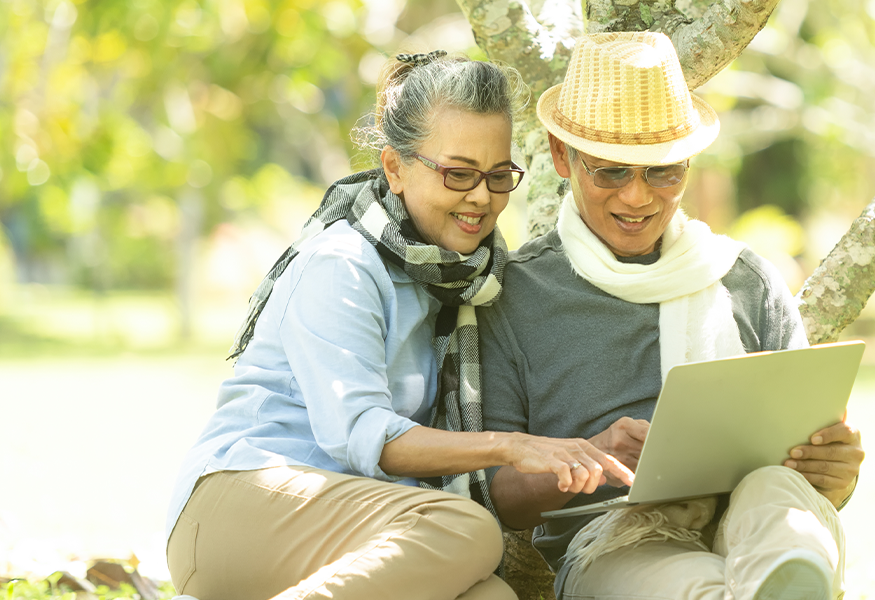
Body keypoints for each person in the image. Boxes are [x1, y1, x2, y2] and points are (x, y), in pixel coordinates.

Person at [164, 50, 632, 600]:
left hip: (359, 520)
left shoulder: (464, 283)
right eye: (458, 173)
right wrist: (509, 445)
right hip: (238, 506)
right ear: (395, 168)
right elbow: (364, 433)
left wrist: (586, 455)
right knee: (465, 529)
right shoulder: (341, 264)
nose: (481, 196)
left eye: (498, 175)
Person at [478, 32, 864, 600]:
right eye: (611, 172)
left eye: (663, 172)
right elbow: (500, 498)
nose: (638, 197)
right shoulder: (516, 295)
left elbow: (810, 454)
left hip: (758, 517)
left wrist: (838, 470)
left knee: (779, 509)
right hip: (613, 536)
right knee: (693, 590)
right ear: (563, 157)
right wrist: (589, 457)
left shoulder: (743, 278)